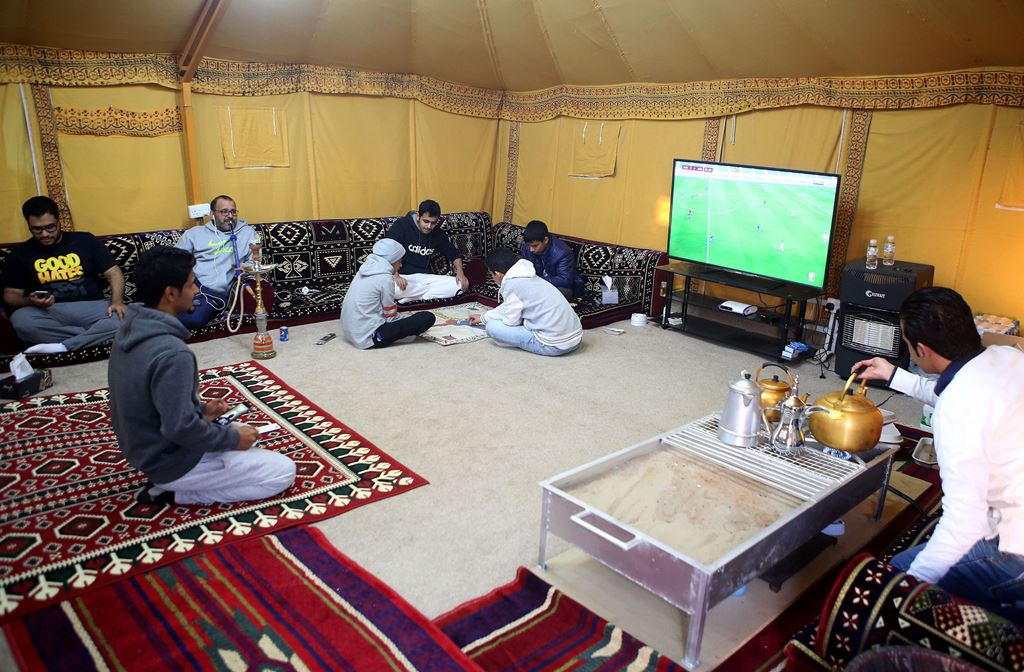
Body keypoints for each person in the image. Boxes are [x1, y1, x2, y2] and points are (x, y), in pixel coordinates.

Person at [853, 287, 1024, 620]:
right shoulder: (1008, 359)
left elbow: (965, 522)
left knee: (891, 579)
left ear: (922, 350)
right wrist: (892, 374)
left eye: (907, 345)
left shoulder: (956, 411)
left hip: (1014, 551)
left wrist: (905, 591)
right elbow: (957, 390)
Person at [108, 246, 296, 505]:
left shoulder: (130, 329)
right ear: (171, 293)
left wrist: (202, 412)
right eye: (191, 283)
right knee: (281, 471)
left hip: (145, 450)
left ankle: (178, 480)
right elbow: (181, 429)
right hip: (170, 462)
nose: (197, 290)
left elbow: (153, 402)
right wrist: (232, 440)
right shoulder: (172, 353)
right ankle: (177, 493)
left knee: (240, 430)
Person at [1, 196, 126, 355]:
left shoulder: (85, 240)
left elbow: (114, 272)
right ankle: (95, 337)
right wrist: (29, 301)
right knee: (21, 321)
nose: (45, 234)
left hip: (91, 306)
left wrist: (117, 302)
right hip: (48, 311)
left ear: (59, 221)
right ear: (29, 225)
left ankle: (62, 346)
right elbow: (10, 295)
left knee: (129, 316)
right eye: (37, 229)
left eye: (50, 227)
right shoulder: (20, 254)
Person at [469, 248, 582, 357]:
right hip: (576, 338)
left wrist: (490, 321)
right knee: (513, 315)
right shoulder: (525, 273)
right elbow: (509, 305)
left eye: (491, 275)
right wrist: (484, 317)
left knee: (492, 327)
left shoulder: (511, 284)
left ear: (498, 274)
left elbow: (511, 321)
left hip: (554, 345)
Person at [174, 195, 257, 330]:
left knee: (192, 319)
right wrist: (189, 285)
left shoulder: (247, 233)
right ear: (212, 214)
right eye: (224, 211)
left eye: (233, 211)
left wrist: (245, 267)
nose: (230, 216)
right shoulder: (194, 234)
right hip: (193, 285)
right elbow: (174, 262)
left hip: (214, 294)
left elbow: (255, 260)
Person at [341, 238, 436, 348]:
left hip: (349, 333)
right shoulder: (385, 279)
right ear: (393, 260)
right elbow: (390, 317)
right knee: (426, 317)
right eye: (400, 261)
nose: (400, 265)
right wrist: (409, 317)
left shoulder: (363, 269)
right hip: (368, 338)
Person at [384, 199, 468, 302]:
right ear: (418, 215)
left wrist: (460, 273)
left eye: (433, 223)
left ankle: (415, 297)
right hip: (402, 277)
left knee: (459, 286)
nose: (429, 226)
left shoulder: (438, 233)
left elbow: (454, 255)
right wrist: (395, 275)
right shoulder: (402, 225)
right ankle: (421, 294)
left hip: (424, 278)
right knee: (389, 289)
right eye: (426, 221)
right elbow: (387, 250)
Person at [519, 220, 582, 300]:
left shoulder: (563, 253)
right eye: (529, 245)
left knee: (561, 293)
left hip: (556, 287)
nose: (531, 249)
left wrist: (538, 281)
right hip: (534, 284)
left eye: (535, 246)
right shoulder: (527, 248)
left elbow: (565, 280)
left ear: (545, 240)